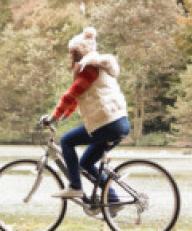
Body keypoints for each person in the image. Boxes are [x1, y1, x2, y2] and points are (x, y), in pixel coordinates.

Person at [42, 27, 129, 202]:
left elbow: (71, 94)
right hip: (119, 123)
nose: (69, 57)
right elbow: (78, 97)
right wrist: (65, 114)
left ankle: (75, 187)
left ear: (78, 53)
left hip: (107, 123)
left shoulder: (89, 68)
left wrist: (54, 117)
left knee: (67, 141)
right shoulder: (95, 68)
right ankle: (112, 199)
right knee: (86, 163)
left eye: (71, 53)